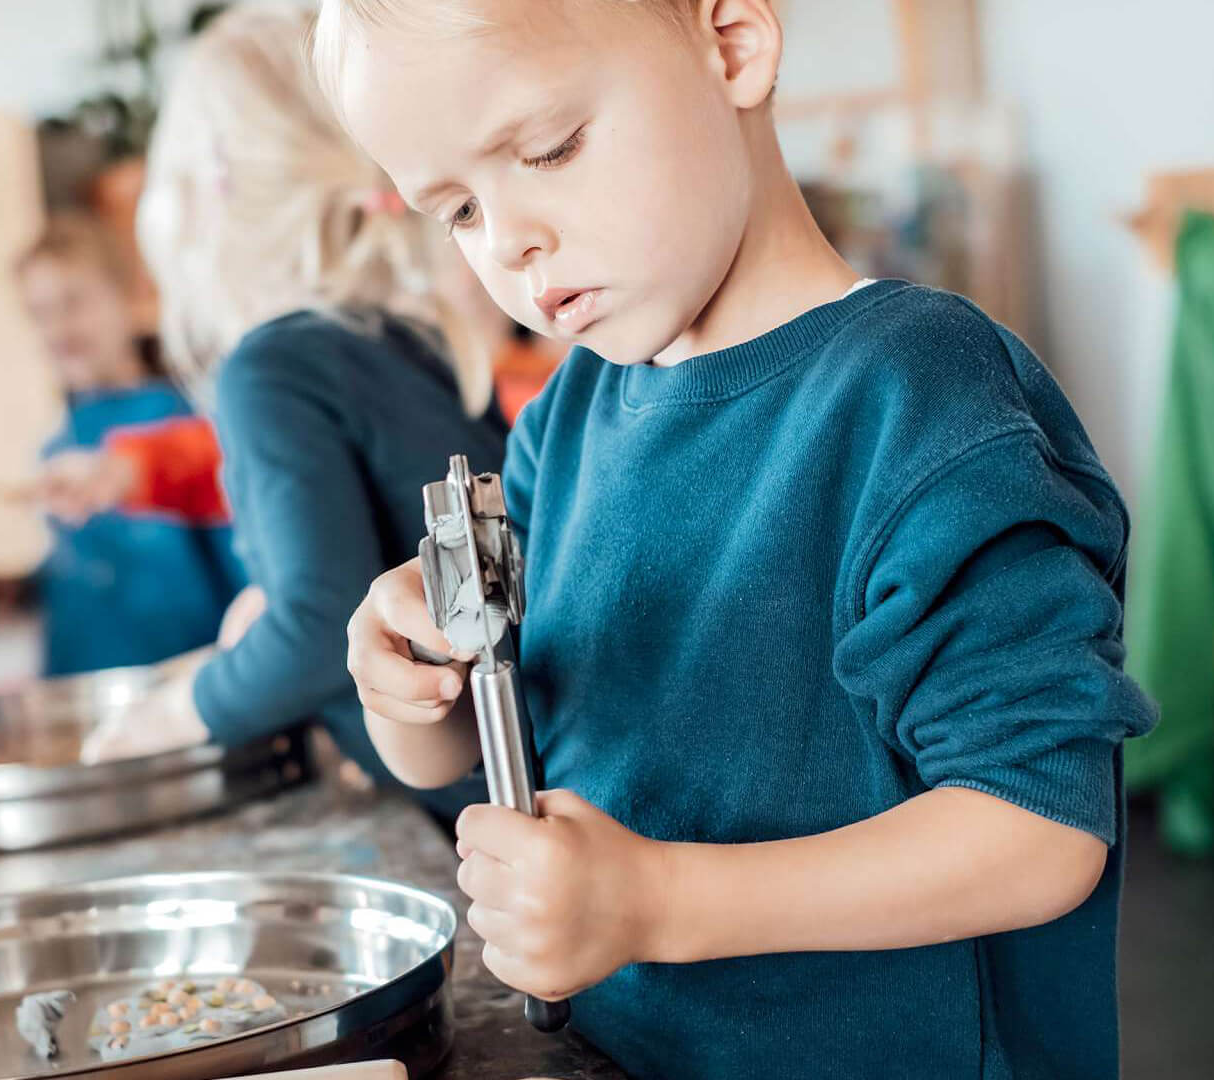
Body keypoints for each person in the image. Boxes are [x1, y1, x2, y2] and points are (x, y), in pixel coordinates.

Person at [321, 2, 1159, 1077]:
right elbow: (477, 746)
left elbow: (1039, 831)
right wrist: (406, 683)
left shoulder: (917, 395)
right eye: (459, 210)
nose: (509, 239)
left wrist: (657, 902)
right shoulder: (563, 426)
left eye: (549, 149)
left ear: (732, 44)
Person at [80, 6, 503, 825]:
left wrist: (174, 714)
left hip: (478, 813)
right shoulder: (404, 340)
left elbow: (319, 632)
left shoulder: (269, 368)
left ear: (201, 199)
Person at [0, 214, 246, 678]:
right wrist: (30, 587)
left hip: (179, 677)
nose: (58, 327)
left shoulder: (188, 424)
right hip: (79, 679)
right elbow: (90, 566)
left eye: (73, 302)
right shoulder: (56, 445)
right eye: (39, 313)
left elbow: (238, 568)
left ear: (130, 297)